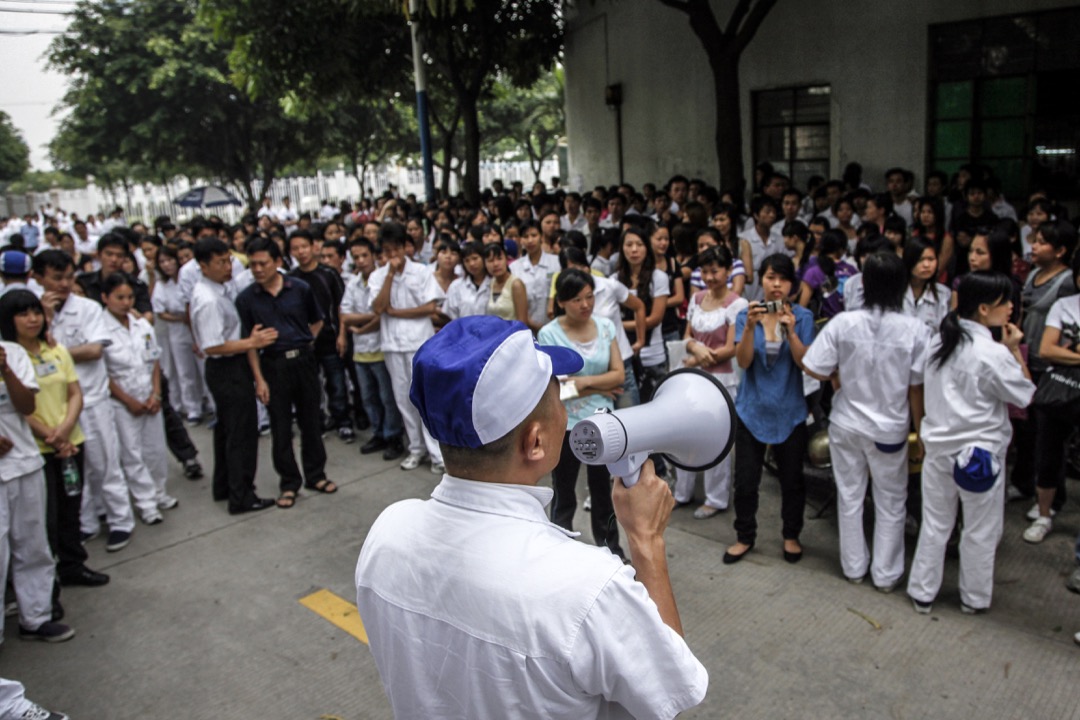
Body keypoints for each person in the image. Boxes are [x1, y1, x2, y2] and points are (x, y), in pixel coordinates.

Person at [355, 315, 707, 718]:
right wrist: (646, 539)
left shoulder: (387, 532)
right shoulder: (588, 586)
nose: (564, 410)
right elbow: (673, 691)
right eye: (559, 399)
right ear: (535, 441)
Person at [907, 272, 1034, 614]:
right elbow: (1024, 395)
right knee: (979, 530)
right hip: (979, 454)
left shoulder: (939, 341)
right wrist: (1014, 351)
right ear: (983, 308)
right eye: (1004, 302)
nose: (1010, 308)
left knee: (935, 524)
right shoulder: (991, 353)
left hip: (939, 448)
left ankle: (923, 591)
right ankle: (973, 598)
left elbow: (917, 384)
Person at [802, 253, 930, 589]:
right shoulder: (915, 329)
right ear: (902, 285)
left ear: (865, 284)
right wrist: (921, 431)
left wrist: (838, 376)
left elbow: (813, 366)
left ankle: (854, 569)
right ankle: (886, 575)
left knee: (850, 496)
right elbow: (917, 389)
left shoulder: (844, 322)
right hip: (890, 429)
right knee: (890, 501)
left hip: (846, 424)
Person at [0, 290, 109, 590]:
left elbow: (74, 392)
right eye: (23, 314)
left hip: (71, 439)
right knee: (43, 521)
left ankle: (73, 565)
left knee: (70, 509)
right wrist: (51, 436)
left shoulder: (56, 350)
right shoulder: (8, 358)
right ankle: (45, 586)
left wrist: (66, 429)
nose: (33, 319)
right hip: (36, 448)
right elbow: (18, 409)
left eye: (36, 312)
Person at [33, 249, 137, 552]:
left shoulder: (88, 308)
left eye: (69, 277)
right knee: (75, 470)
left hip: (91, 398)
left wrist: (55, 351)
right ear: (38, 278)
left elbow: (94, 351)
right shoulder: (35, 312)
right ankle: (87, 522)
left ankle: (120, 520)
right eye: (56, 278)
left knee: (105, 462)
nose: (64, 284)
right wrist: (46, 323)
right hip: (56, 406)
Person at [725, 255, 814, 565]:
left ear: (793, 284)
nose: (777, 285)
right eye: (770, 277)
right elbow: (744, 361)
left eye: (784, 279)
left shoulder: (802, 317)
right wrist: (750, 327)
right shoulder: (745, 315)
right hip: (751, 409)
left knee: (793, 480)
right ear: (760, 280)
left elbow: (807, 364)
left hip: (790, 410)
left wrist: (791, 331)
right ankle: (744, 536)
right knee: (746, 481)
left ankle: (791, 535)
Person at [236, 238, 334, 509]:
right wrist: (260, 379)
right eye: (252, 264)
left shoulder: (299, 289)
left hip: (303, 362)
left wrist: (303, 342)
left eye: (263, 263)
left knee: (311, 422)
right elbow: (250, 344)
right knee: (280, 428)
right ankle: (289, 483)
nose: (257, 269)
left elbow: (318, 321)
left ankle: (316, 475)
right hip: (272, 366)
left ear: (278, 262)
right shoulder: (246, 299)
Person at [538, 270, 627, 558]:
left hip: (603, 423)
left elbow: (619, 376)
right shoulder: (549, 333)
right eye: (577, 299)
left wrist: (583, 383)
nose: (585, 304)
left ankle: (610, 550)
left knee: (604, 493)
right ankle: (557, 552)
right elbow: (555, 391)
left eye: (589, 297)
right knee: (563, 492)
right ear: (562, 302)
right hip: (565, 424)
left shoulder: (604, 327)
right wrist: (598, 386)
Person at [189, 238, 277, 515]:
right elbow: (212, 346)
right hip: (227, 368)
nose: (228, 266)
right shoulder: (209, 299)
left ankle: (225, 486)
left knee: (227, 431)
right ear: (203, 266)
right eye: (220, 262)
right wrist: (253, 343)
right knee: (241, 433)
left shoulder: (218, 288)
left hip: (228, 367)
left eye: (228, 260)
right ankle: (242, 495)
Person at [0, 336, 76, 645]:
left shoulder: (14, 353)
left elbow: (26, 404)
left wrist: (5, 369)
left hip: (24, 461)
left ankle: (36, 617)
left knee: (33, 542)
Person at [676, 246, 748, 518]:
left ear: (728, 271)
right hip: (692, 376)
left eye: (715, 271)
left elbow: (732, 347)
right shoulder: (696, 298)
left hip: (722, 379)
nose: (709, 277)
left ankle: (716, 498)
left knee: (717, 438)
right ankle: (681, 492)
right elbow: (686, 334)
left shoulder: (737, 304)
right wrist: (694, 348)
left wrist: (699, 357)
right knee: (684, 434)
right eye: (704, 271)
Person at [100, 273, 176, 525]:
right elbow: (105, 373)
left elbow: (153, 360)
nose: (125, 302)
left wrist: (156, 393)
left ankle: (159, 492)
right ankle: (145, 503)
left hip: (148, 395)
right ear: (105, 298)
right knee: (132, 452)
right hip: (123, 401)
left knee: (154, 449)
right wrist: (128, 400)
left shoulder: (141, 325)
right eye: (119, 297)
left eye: (130, 297)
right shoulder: (101, 330)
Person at [369, 222, 445, 473]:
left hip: (419, 343)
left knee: (423, 398)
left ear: (405, 247)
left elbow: (430, 307)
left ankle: (437, 455)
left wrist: (397, 312)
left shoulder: (421, 272)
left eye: (396, 249)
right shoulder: (378, 276)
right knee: (403, 399)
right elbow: (378, 308)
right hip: (392, 345)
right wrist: (390, 274)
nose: (392, 256)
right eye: (387, 251)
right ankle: (416, 449)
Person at [1025, 250, 1080, 544]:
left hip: (1065, 376)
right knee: (1048, 453)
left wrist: (1068, 354)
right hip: (1057, 390)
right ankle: (1044, 514)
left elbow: (1058, 349)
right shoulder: (1064, 305)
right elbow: (1046, 349)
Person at [340, 238, 404, 460]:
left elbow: (383, 311)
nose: (360, 261)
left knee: (387, 397)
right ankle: (378, 433)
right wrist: (372, 317)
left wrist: (366, 322)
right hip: (360, 350)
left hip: (382, 346)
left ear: (373, 256)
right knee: (368, 397)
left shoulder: (382, 280)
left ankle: (393, 435)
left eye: (364, 255)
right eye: (356, 257)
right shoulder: (352, 283)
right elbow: (346, 315)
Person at [288, 230, 353, 444]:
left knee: (337, 382)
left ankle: (343, 421)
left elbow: (343, 307)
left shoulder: (328, 274)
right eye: (296, 248)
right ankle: (318, 422)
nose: (301, 252)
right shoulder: (291, 279)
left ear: (313, 247)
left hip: (331, 339)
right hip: (305, 344)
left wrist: (342, 335)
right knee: (311, 386)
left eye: (304, 247)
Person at [151, 245, 205, 423]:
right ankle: (192, 408)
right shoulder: (162, 285)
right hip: (177, 332)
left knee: (203, 369)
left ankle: (211, 404)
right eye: (162, 262)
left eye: (170, 260)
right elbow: (160, 311)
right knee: (184, 371)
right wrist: (180, 318)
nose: (167, 265)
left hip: (198, 329)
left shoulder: (189, 278)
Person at [509, 221, 560, 332]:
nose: (530, 240)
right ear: (520, 240)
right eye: (525, 237)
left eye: (534, 235)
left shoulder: (556, 263)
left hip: (554, 328)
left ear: (541, 237)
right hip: (525, 328)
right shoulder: (514, 267)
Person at [902, 237, 952, 332]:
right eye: (920, 260)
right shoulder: (894, 290)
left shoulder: (944, 294)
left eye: (931, 259)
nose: (926, 265)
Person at [482, 243, 529, 323]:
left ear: (506, 260)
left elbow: (522, 321)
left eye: (499, 259)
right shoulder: (491, 283)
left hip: (513, 334)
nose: (495, 264)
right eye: (490, 261)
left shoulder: (516, 284)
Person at [443, 241, 490, 320]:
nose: (471, 264)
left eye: (475, 258)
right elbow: (450, 315)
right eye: (467, 260)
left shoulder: (495, 283)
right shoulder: (456, 286)